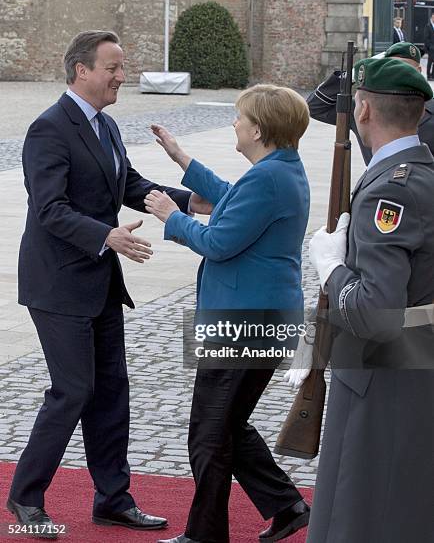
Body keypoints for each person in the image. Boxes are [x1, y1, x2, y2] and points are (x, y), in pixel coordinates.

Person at [6, 30, 209, 537]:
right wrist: (106, 236)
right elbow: (49, 209)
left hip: (98, 282)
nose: (122, 76)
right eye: (114, 67)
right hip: (56, 285)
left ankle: (112, 500)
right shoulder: (48, 129)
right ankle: (25, 498)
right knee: (73, 391)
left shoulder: (107, 126)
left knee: (112, 391)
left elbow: (131, 186)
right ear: (82, 71)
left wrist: (199, 201)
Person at [144, 84, 311, 543]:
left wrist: (171, 217)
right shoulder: (279, 170)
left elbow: (218, 243)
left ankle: (205, 534)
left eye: (239, 118)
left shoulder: (269, 178)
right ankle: (287, 505)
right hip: (261, 317)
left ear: (257, 129)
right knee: (229, 426)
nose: (235, 124)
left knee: (209, 433)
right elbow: (230, 197)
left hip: (244, 321)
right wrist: (182, 158)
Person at [289, 58, 434, 542]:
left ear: (364, 109)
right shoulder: (420, 172)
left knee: (363, 515)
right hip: (412, 366)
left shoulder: (390, 192)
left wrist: (332, 266)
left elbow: (376, 311)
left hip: (382, 375)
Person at [307, 41, 434, 164]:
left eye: (406, 69)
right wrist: (351, 75)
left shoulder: (430, 110)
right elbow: (315, 106)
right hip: (375, 179)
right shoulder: (364, 107)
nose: (398, 73)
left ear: (418, 71)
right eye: (392, 67)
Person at [424, 12, 434, 80]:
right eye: (433, 17)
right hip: (431, 48)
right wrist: (430, 46)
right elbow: (426, 38)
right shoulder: (428, 26)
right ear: (431, 18)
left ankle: (433, 75)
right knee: (430, 62)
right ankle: (428, 75)